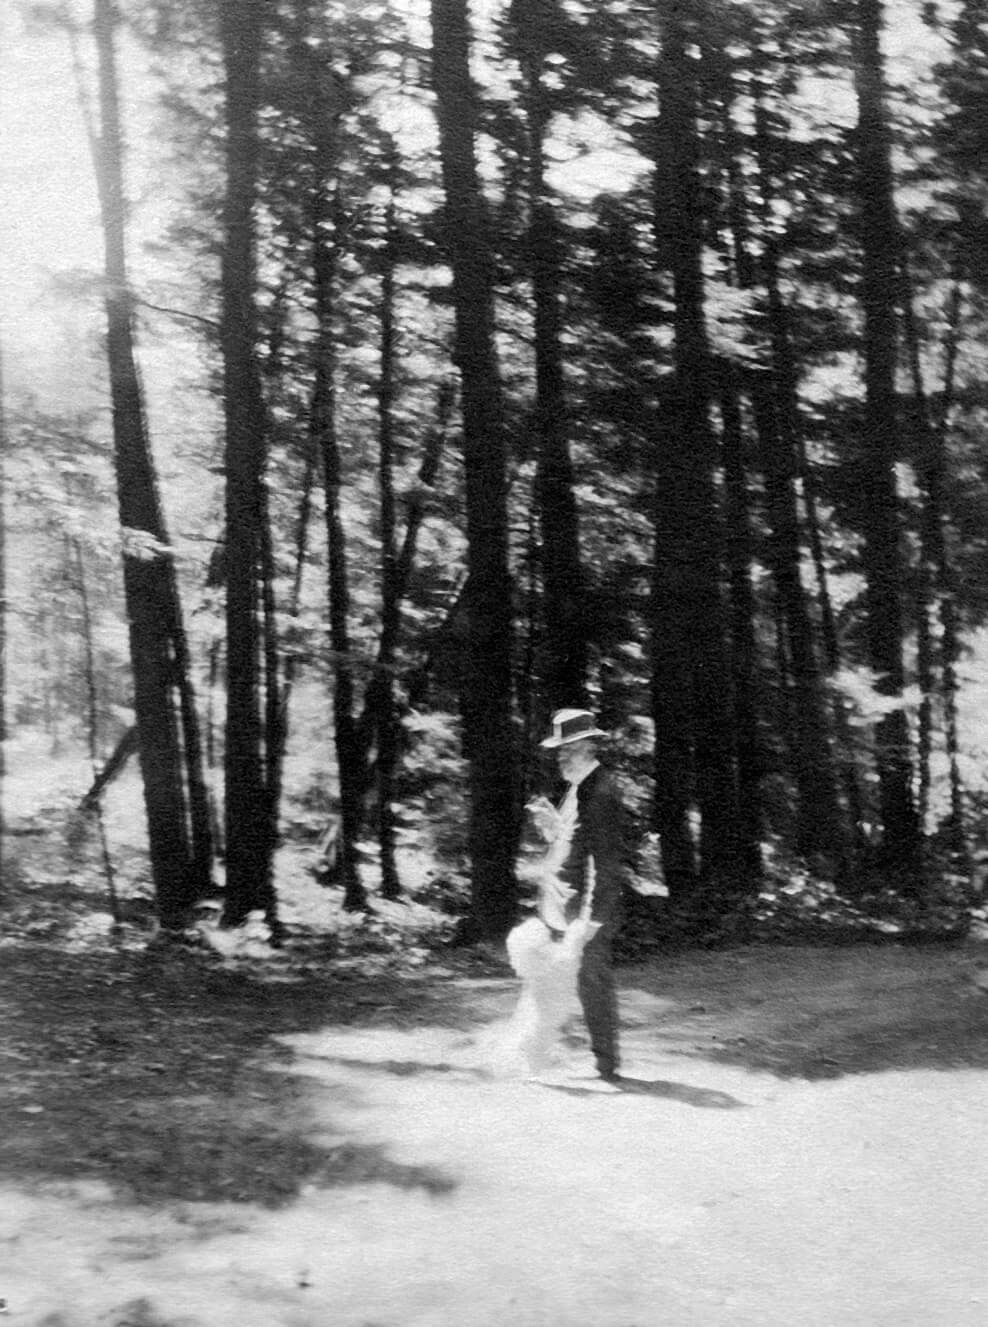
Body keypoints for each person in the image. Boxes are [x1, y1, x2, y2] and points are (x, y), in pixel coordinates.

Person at [519, 707, 626, 1081]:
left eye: (566, 750)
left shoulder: (602, 793)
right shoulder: (580, 790)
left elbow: (608, 863)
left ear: (586, 747)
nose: (559, 757)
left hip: (585, 914)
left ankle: (607, 1065)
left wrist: (592, 919)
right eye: (559, 751)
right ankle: (565, 1056)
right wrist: (553, 827)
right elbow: (574, 845)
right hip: (565, 909)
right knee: (560, 982)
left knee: (592, 983)